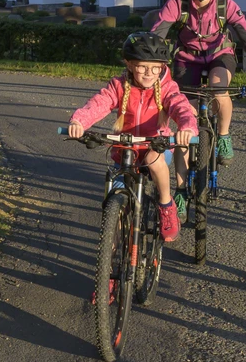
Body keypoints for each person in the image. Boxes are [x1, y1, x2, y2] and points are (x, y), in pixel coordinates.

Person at [67, 33, 196, 242]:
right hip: (126, 149)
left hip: (156, 146)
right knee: (114, 204)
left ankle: (166, 205)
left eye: (155, 68)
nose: (149, 73)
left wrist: (187, 128)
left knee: (153, 159)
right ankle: (112, 249)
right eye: (143, 67)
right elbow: (99, 103)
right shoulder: (119, 86)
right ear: (129, 64)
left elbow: (181, 107)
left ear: (162, 67)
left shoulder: (167, 88)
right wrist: (79, 122)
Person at [152, 0, 246, 172]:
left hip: (219, 55)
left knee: (219, 89)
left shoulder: (225, 5)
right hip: (187, 58)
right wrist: (150, 67)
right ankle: (183, 181)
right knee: (185, 110)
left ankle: (223, 135)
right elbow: (156, 36)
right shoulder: (177, 4)